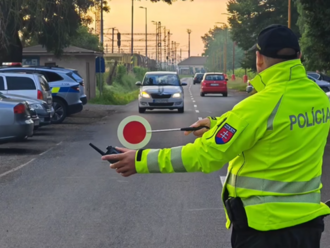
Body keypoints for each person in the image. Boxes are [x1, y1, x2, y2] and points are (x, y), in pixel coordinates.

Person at [102, 24, 330, 248]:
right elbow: (272, 127)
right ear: (299, 56)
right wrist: (215, 124)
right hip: (308, 226)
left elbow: (206, 155)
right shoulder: (319, 98)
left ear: (259, 59)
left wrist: (140, 161)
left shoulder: (259, 106)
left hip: (265, 230)